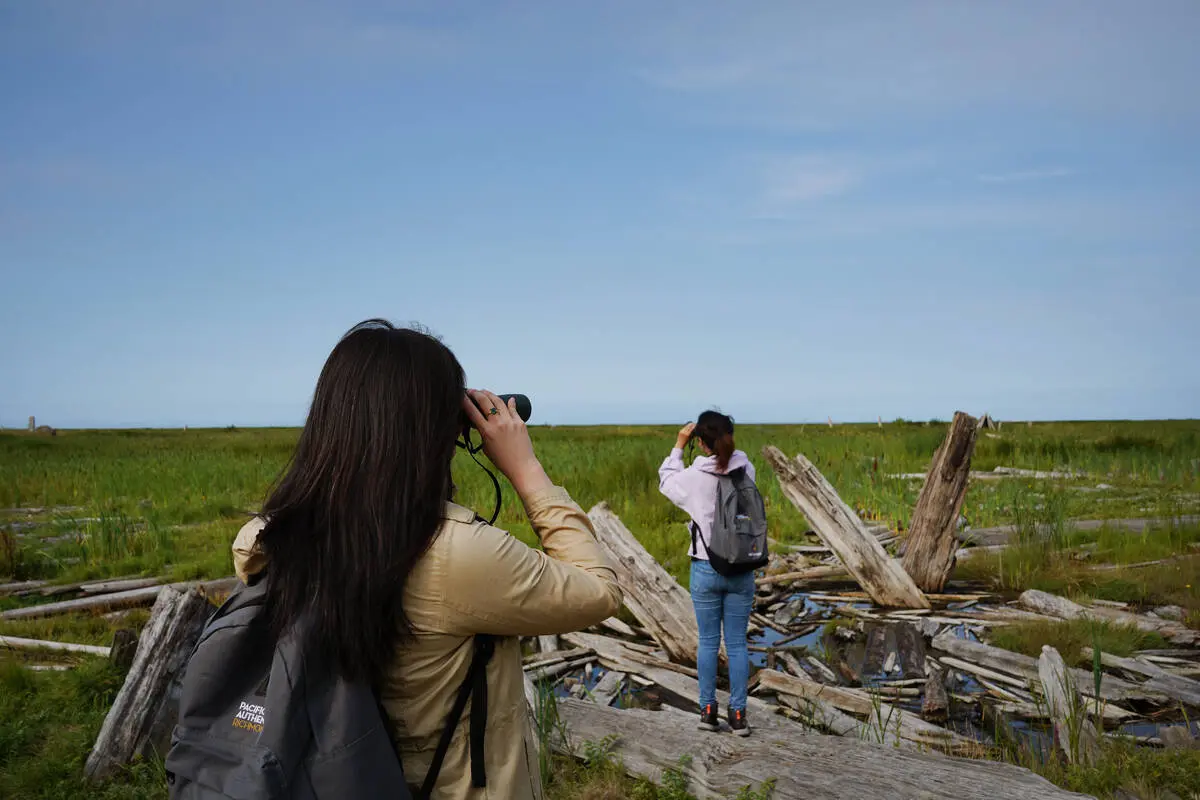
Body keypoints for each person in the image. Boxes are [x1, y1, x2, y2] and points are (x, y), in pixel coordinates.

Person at [229, 319, 622, 799]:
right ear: (434, 431)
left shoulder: (269, 539)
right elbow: (600, 589)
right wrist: (525, 468)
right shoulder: (458, 555)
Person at [657, 410, 756, 736]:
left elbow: (667, 482)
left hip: (705, 566)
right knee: (738, 644)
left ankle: (708, 711)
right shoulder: (747, 469)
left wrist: (678, 446)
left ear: (700, 442)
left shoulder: (694, 476)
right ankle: (739, 716)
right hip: (742, 567)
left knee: (709, 643)